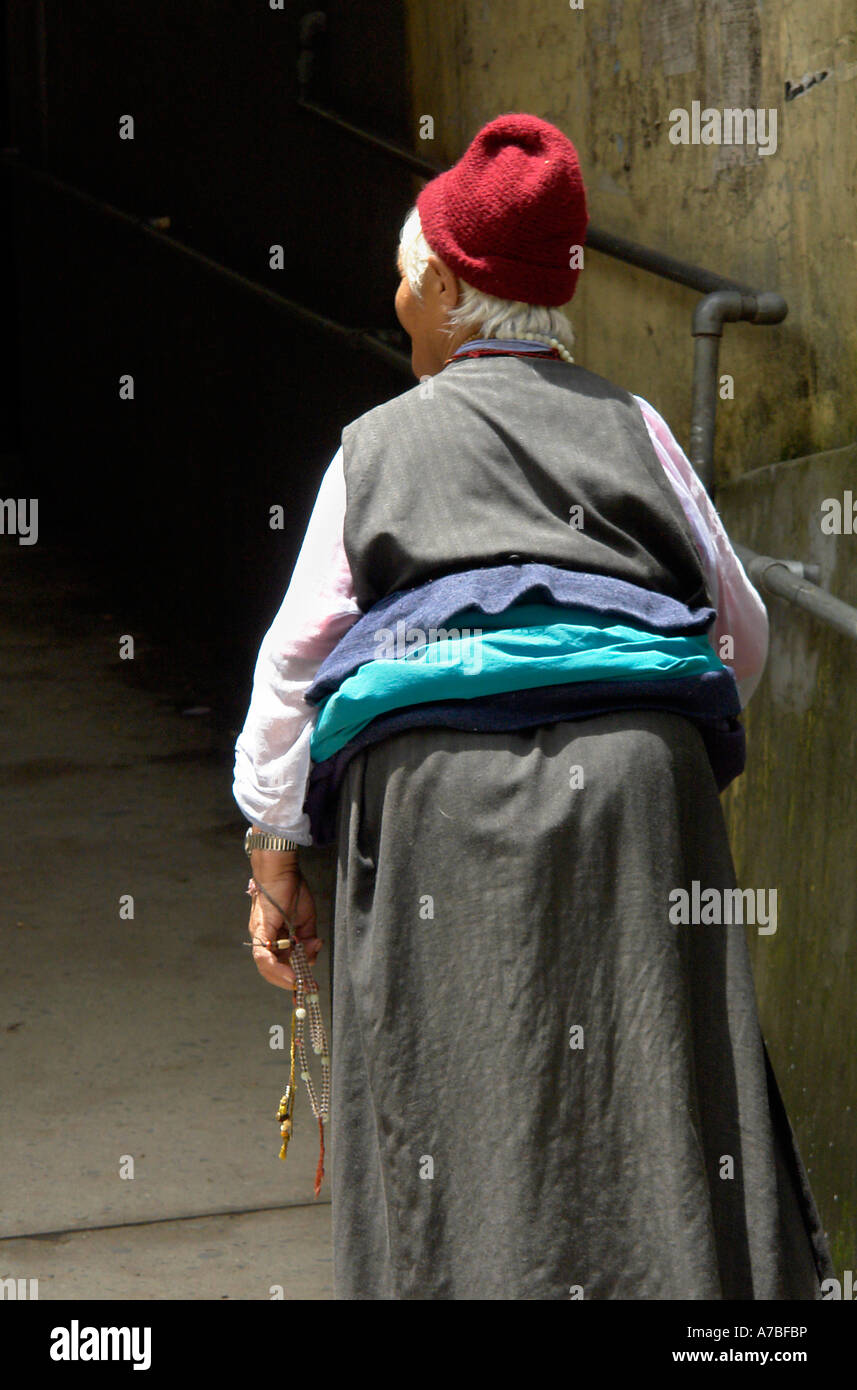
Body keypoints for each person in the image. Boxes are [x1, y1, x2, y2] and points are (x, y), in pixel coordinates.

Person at [233, 113, 833, 1300]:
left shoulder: (375, 449)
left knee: (450, 1106)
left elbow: (294, 666)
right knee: (646, 1096)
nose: (397, 302)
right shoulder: (637, 428)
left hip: (433, 809)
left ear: (450, 289)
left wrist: (272, 845)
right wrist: (632, 718)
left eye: (407, 282)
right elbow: (738, 637)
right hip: (636, 793)